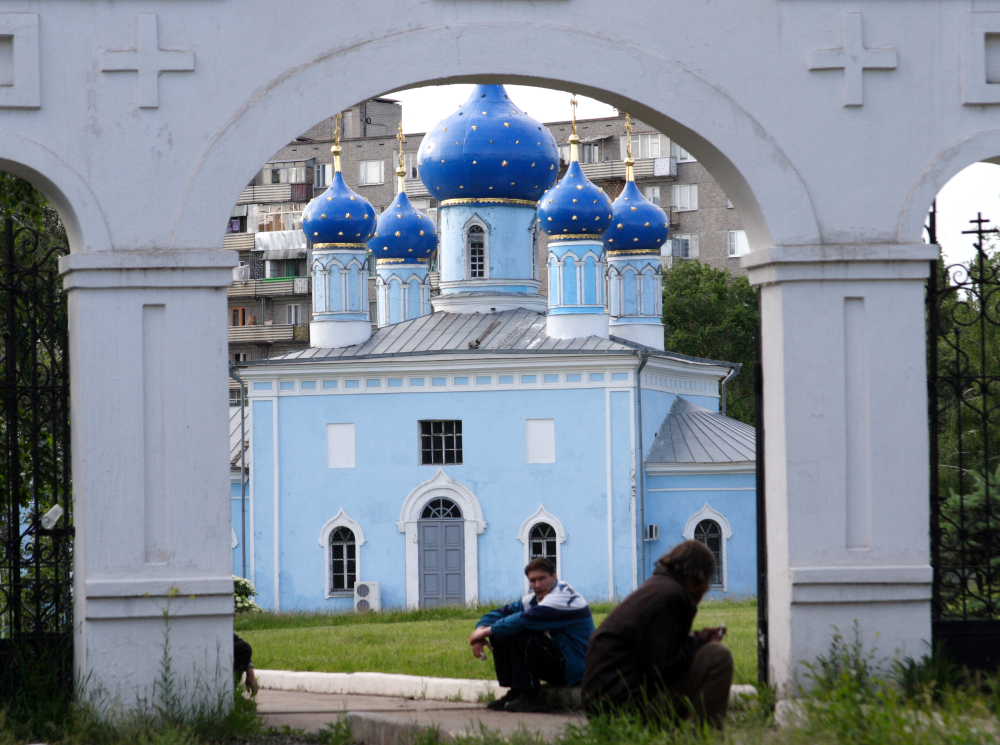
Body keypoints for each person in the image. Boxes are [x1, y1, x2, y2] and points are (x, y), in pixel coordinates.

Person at [582, 540, 733, 729]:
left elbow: (657, 650)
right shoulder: (672, 596)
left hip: (605, 707)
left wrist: (696, 639)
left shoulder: (658, 587)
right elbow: (664, 667)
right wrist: (700, 642)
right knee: (717, 657)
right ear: (700, 578)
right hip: (625, 712)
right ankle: (707, 737)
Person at [468, 558, 595, 712]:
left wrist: (484, 633)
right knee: (501, 633)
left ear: (554, 576)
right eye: (532, 580)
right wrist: (480, 630)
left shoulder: (563, 598)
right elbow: (501, 613)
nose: (537, 585)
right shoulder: (535, 599)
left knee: (518, 632)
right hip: (562, 660)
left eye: (542, 579)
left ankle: (531, 696)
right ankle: (517, 691)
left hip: (576, 668)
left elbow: (523, 620)